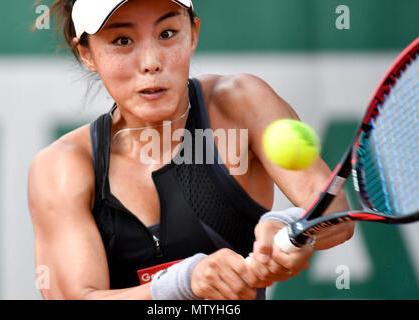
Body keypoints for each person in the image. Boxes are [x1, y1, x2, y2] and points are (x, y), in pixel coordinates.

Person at [28, 0, 354, 300]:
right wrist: (181, 282)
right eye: (122, 41)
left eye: (167, 33)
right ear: (87, 54)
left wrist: (291, 226)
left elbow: (333, 208)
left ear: (193, 33)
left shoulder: (241, 102)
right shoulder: (61, 166)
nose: (151, 62)